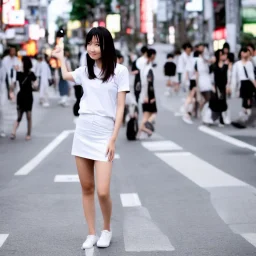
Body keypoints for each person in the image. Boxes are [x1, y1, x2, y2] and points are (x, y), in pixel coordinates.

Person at [52, 26, 130, 249]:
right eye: (90, 44)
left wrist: (113, 139)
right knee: (86, 187)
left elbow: (120, 108)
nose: (93, 48)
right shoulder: (85, 70)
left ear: (106, 45)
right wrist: (60, 59)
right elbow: (67, 76)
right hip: (83, 131)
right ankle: (91, 233)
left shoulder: (119, 71)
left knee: (103, 190)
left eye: (97, 44)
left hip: (105, 133)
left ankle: (106, 229)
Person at [10, 56, 37, 140]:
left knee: (29, 116)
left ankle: (28, 133)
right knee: (19, 116)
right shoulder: (19, 73)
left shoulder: (31, 74)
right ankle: (13, 132)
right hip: (21, 96)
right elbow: (14, 84)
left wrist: (34, 85)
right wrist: (11, 91)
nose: (21, 64)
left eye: (22, 62)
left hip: (28, 96)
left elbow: (36, 85)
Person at [231, 47, 256, 125]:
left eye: (247, 52)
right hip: (242, 84)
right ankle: (244, 118)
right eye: (244, 52)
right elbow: (234, 77)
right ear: (241, 53)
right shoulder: (237, 64)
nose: (245, 54)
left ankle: (246, 119)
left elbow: (252, 76)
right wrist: (233, 88)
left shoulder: (250, 63)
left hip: (249, 84)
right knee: (245, 101)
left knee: (249, 101)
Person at [137, 48, 157, 138]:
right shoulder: (149, 69)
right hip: (148, 95)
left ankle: (139, 133)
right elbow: (150, 84)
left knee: (146, 115)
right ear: (152, 56)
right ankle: (146, 127)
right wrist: (151, 97)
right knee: (154, 113)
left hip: (143, 94)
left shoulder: (143, 67)